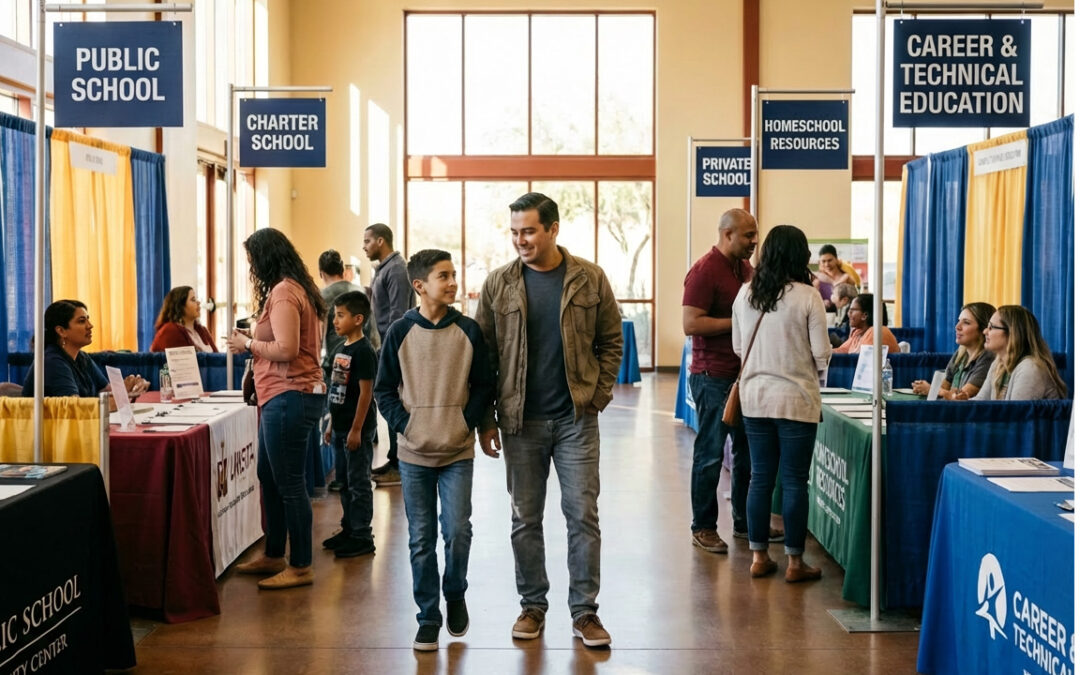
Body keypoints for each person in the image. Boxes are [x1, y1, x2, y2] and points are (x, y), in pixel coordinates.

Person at [475, 192, 622, 649]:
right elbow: (483, 357)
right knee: (525, 519)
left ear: (553, 229)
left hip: (576, 419)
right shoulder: (498, 284)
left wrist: (596, 397)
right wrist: (486, 419)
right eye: (515, 231)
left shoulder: (589, 279)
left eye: (529, 231)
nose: (521, 239)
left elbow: (611, 341)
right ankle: (532, 606)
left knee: (582, 516)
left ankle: (585, 612)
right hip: (521, 422)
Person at [374, 249, 493, 652]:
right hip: (413, 455)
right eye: (445, 276)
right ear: (420, 285)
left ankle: (455, 592)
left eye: (455, 274)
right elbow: (383, 390)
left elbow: (483, 386)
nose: (454, 282)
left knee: (458, 531)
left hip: (457, 451)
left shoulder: (470, 331)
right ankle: (428, 617)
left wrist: (465, 423)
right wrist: (408, 424)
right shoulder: (399, 332)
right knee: (421, 539)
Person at [226, 228, 326, 590]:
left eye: (253, 259)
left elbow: (285, 349)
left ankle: (300, 564)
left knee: (289, 483)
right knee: (269, 475)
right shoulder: (293, 289)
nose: (251, 266)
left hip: (290, 395)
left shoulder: (285, 292)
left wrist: (247, 343)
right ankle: (273, 552)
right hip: (283, 396)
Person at [732, 224, 831, 583]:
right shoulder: (808, 296)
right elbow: (821, 353)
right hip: (797, 400)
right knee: (794, 481)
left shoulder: (744, 294)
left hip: (755, 399)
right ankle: (795, 562)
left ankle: (758, 556)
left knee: (760, 478)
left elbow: (738, 348)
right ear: (799, 255)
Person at [682, 208, 781, 557]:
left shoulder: (744, 269)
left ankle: (743, 522)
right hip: (712, 378)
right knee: (709, 455)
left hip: (745, 376)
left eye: (755, 235)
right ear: (727, 234)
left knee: (747, 456)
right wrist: (737, 323)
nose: (755, 242)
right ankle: (704, 527)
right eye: (748, 236)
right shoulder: (704, 272)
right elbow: (691, 324)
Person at [321, 291, 378, 559]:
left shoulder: (364, 352)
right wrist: (332, 423)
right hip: (341, 427)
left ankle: (362, 535)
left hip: (357, 430)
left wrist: (356, 430)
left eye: (340, 315)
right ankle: (349, 527)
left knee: (358, 483)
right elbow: (338, 390)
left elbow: (365, 394)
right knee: (342, 482)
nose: (335, 320)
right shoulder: (341, 349)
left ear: (358, 319)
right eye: (334, 315)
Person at [364, 223, 416, 487]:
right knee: (388, 401)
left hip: (393, 347)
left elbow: (397, 314)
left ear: (381, 241)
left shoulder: (396, 269)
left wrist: (388, 352)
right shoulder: (384, 270)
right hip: (383, 345)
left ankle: (399, 463)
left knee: (393, 401)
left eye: (368, 241)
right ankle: (394, 458)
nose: (364, 247)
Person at [22, 299, 150, 401]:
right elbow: (76, 409)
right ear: (61, 331)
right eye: (82, 321)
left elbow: (105, 391)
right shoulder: (52, 362)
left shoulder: (82, 357)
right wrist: (122, 395)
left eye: (88, 319)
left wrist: (133, 387)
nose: (90, 325)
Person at [317, 249, 368, 493]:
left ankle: (343, 478)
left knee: (339, 415)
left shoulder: (322, 296)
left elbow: (317, 335)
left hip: (342, 365)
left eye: (341, 316)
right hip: (356, 356)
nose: (337, 320)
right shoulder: (358, 291)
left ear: (321, 272)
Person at [963, 305, 1068, 401]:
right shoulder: (998, 363)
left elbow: (1016, 417)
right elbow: (980, 402)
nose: (985, 331)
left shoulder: (1030, 368)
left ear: (1013, 333)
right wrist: (957, 402)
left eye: (992, 327)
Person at [911, 302, 996, 400]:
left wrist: (932, 389)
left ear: (983, 329)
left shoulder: (988, 357)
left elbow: (961, 396)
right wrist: (935, 390)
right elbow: (944, 388)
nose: (957, 327)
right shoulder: (961, 353)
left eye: (966, 322)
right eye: (959, 321)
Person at [149, 286, 217, 352]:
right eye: (193, 299)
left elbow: (218, 358)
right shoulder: (170, 330)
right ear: (180, 306)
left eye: (196, 299)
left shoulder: (203, 330)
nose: (198, 302)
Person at [832, 294, 900, 354]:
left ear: (865, 315)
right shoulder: (858, 333)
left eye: (852, 310)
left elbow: (862, 360)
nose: (848, 313)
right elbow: (842, 351)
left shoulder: (877, 331)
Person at [828, 282, 859, 347]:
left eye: (834, 295)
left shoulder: (849, 313)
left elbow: (844, 339)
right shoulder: (842, 309)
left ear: (844, 300)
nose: (832, 297)